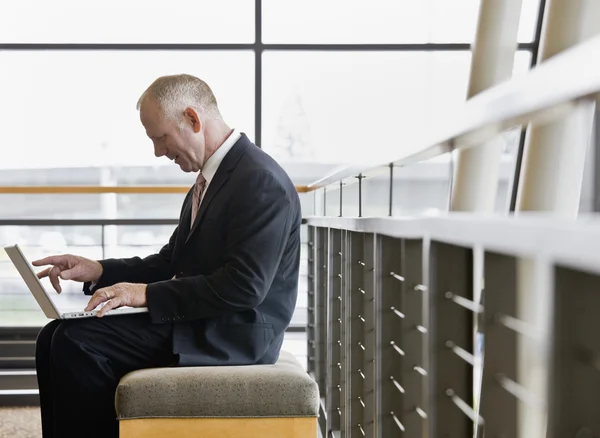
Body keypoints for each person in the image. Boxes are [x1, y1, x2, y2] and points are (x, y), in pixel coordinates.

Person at [31, 74, 302, 438]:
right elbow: (170, 262)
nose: (159, 152)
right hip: (204, 320)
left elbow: (244, 287)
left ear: (192, 119)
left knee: (75, 342)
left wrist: (143, 294)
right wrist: (97, 270)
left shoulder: (259, 180)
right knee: (53, 335)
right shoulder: (215, 179)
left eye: (160, 138)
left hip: (233, 333)